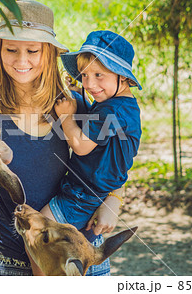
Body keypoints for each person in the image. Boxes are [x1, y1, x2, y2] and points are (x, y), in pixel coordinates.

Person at [0, 0, 120, 276]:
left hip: (76, 257)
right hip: (8, 261)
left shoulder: (73, 103)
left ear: (50, 52)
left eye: (32, 50)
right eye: (11, 49)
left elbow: (109, 161)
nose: (21, 61)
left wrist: (113, 199)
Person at [40, 30, 142, 275]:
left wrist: (65, 117)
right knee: (76, 246)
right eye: (85, 75)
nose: (90, 84)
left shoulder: (111, 113)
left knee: (41, 232)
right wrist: (76, 91)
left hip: (82, 194)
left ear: (124, 78)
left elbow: (82, 145)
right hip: (96, 192)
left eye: (99, 75)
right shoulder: (123, 106)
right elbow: (95, 122)